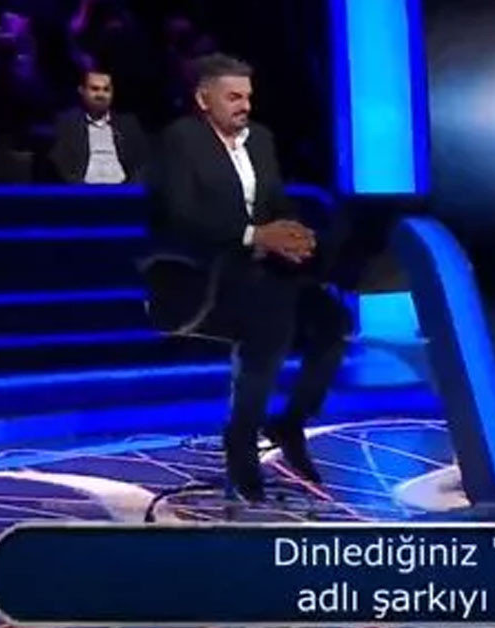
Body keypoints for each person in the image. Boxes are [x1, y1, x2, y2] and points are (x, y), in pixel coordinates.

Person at [146, 53, 350, 502]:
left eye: (248, 97)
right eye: (234, 97)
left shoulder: (260, 139)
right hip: (202, 274)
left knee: (332, 322)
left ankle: (290, 422)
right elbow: (180, 217)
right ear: (204, 99)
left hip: (264, 268)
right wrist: (254, 234)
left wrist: (293, 233)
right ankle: (241, 440)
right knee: (271, 319)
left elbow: (276, 202)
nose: (245, 106)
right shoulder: (179, 140)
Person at [50, 69, 148, 183]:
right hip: (84, 189)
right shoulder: (67, 123)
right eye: (95, 89)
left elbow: (142, 162)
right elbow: (61, 163)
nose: (101, 95)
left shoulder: (128, 123)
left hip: (122, 189)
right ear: (82, 91)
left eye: (106, 90)